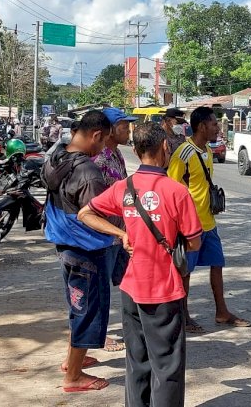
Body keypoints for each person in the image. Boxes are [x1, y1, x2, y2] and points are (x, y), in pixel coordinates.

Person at [79, 122, 203, 407]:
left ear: (134, 151)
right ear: (164, 147)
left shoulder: (124, 187)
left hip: (131, 286)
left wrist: (122, 233)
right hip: (164, 288)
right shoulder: (176, 192)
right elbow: (195, 243)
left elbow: (86, 213)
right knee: (168, 364)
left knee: (137, 360)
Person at [41, 110, 114, 393]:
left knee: (77, 304)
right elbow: (96, 215)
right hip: (86, 249)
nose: (103, 147)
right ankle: (73, 377)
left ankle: (73, 359)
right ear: (96, 135)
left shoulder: (56, 155)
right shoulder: (88, 172)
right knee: (88, 311)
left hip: (64, 243)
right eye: (104, 140)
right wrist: (122, 231)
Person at [168, 106, 250, 333]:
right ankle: (183, 316)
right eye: (214, 124)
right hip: (189, 226)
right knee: (185, 270)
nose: (218, 128)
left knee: (217, 264)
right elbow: (172, 190)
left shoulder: (208, 151)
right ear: (202, 126)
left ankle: (222, 311)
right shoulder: (183, 153)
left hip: (209, 223)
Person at [91, 107, 137, 353]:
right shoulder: (99, 160)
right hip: (105, 234)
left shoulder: (117, 154)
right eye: (123, 126)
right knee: (100, 287)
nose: (127, 130)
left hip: (120, 233)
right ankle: (99, 333)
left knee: (125, 279)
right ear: (108, 130)